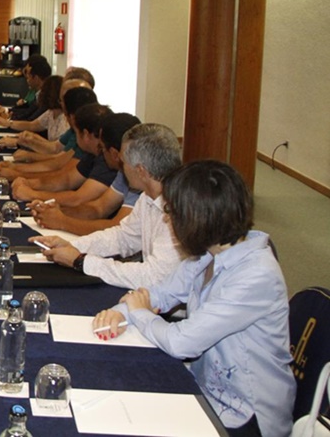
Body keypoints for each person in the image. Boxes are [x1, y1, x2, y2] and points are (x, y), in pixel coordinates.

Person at [92, 160, 294, 437]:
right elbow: (160, 292)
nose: (167, 219)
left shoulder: (256, 275)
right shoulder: (210, 252)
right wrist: (120, 312)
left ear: (199, 218)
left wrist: (138, 312)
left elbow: (181, 342)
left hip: (245, 416)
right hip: (204, 386)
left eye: (172, 212)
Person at [31, 122, 183, 288]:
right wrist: (72, 246)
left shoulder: (180, 208)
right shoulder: (147, 197)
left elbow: (153, 277)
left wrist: (81, 261)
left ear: (140, 171)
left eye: (123, 162)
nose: (121, 167)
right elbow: (123, 237)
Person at [28, 112, 142, 235]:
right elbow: (98, 208)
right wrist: (54, 211)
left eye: (102, 148)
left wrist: (62, 221)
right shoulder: (123, 172)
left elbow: (119, 228)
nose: (100, 153)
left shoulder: (139, 177)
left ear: (114, 154)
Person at [11, 103, 115, 206]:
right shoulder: (92, 154)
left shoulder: (107, 160)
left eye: (76, 132)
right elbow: (66, 180)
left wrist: (32, 194)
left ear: (86, 134)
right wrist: (29, 183)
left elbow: (78, 199)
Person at [0, 76, 65, 139]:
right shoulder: (50, 113)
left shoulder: (64, 119)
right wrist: (8, 123)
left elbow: (56, 148)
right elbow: (31, 125)